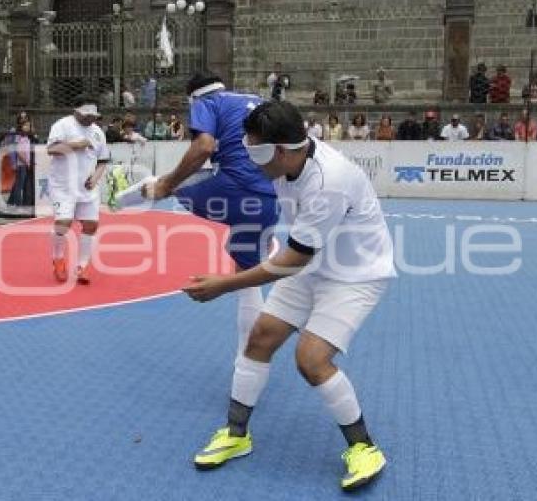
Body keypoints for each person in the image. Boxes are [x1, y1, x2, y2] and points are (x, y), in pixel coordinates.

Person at [184, 100, 395, 492]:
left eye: (254, 149)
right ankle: (236, 434)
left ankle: (365, 448)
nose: (249, 156)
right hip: (313, 263)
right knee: (261, 337)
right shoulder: (285, 162)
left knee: (311, 360)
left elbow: (294, 259)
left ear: (279, 150)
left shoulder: (330, 181)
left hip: (355, 274)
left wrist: (222, 285)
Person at [142, 72, 280, 358]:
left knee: (165, 187)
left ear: (192, 96)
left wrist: (167, 184)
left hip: (235, 189)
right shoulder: (255, 100)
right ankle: (248, 357)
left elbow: (204, 146)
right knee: (247, 278)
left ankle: (136, 192)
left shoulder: (206, 101)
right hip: (271, 195)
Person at [46, 98, 111, 284]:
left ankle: (82, 266)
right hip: (63, 186)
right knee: (63, 224)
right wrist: (75, 145)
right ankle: (58, 258)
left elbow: (103, 160)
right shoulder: (63, 125)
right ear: (78, 111)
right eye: (88, 115)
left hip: (87, 188)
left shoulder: (98, 132)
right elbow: (51, 149)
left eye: (94, 116)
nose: (92, 119)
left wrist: (96, 177)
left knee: (91, 225)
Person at [9, 112, 33, 206]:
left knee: (19, 183)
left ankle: (12, 201)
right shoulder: (15, 132)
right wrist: (13, 162)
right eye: (21, 117)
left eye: (25, 117)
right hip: (20, 161)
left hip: (25, 161)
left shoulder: (27, 133)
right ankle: (16, 203)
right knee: (19, 183)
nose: (23, 119)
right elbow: (13, 148)